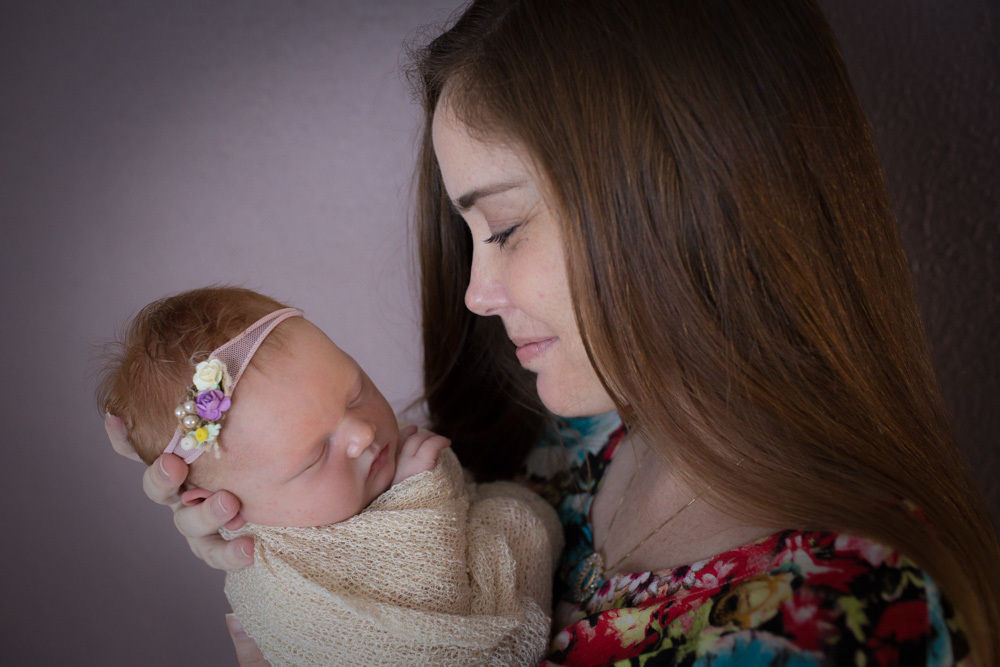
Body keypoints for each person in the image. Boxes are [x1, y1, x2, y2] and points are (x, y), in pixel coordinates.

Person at [106, 0, 1000, 664]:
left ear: (675, 200)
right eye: (470, 237)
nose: (476, 296)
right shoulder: (561, 436)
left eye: (503, 228)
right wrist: (283, 545)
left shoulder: (853, 615)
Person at [98, 286, 562, 666]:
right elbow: (431, 637)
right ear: (217, 504)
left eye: (355, 392)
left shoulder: (322, 489)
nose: (362, 434)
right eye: (316, 456)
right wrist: (420, 501)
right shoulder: (289, 583)